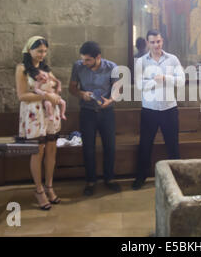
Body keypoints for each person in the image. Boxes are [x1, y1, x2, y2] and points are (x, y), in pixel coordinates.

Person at [132, 29, 185, 190]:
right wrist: (156, 82)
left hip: (169, 109)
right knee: (145, 145)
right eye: (153, 42)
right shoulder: (141, 62)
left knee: (173, 145)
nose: (156, 45)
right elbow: (140, 85)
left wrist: (165, 78)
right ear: (148, 43)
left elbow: (181, 81)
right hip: (150, 110)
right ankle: (140, 177)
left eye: (158, 41)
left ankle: (177, 178)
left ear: (162, 41)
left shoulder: (172, 59)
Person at [69, 41, 122, 196]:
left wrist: (110, 100)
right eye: (83, 59)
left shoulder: (112, 67)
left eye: (88, 60)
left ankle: (109, 179)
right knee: (88, 149)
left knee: (110, 146)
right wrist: (81, 94)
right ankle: (91, 181)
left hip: (106, 112)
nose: (84, 63)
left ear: (98, 57)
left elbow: (119, 89)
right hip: (87, 112)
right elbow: (72, 88)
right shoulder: (78, 66)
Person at [15, 36, 62, 210]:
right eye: (39, 51)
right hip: (34, 113)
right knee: (38, 152)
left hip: (49, 112)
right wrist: (46, 96)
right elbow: (22, 95)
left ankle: (49, 186)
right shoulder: (22, 69)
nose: (42, 54)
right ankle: (39, 190)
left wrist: (56, 92)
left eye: (44, 51)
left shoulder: (45, 69)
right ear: (29, 50)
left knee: (51, 150)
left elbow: (56, 85)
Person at [164, 0, 190, 65]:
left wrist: (183, 0)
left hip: (182, 15)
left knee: (182, 35)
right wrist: (174, 0)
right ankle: (172, 56)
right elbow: (166, 3)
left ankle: (183, 57)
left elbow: (188, 3)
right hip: (173, 15)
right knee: (174, 34)